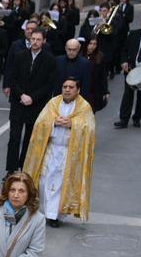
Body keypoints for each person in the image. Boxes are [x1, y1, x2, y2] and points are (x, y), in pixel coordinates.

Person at [24, 78, 96, 228]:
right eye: (65, 86)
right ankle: (43, 212)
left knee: (60, 183)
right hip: (51, 149)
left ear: (78, 90)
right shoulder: (53, 103)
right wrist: (52, 123)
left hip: (69, 152)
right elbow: (40, 123)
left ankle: (53, 216)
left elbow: (89, 129)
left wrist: (73, 125)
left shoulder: (84, 107)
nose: (67, 90)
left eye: (71, 87)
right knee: (44, 181)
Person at [4, 29, 58, 174]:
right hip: (18, 102)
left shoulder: (50, 60)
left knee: (30, 138)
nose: (35, 42)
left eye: (38, 39)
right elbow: (12, 77)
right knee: (14, 138)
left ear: (44, 41)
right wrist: (21, 95)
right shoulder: (20, 56)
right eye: (33, 39)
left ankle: (25, 168)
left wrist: (32, 98)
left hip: (36, 105)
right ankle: (11, 169)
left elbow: (49, 85)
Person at [82, 37, 110, 113]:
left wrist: (105, 91)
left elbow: (103, 75)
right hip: (81, 89)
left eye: (95, 44)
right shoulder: (80, 54)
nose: (92, 46)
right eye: (90, 43)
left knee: (90, 112)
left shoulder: (100, 57)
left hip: (93, 90)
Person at [111, 0, 134, 74]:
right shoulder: (116, 6)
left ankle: (118, 67)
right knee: (115, 48)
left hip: (124, 30)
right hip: (116, 30)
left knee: (121, 48)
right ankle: (113, 66)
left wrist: (123, 14)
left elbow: (131, 19)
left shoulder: (130, 7)